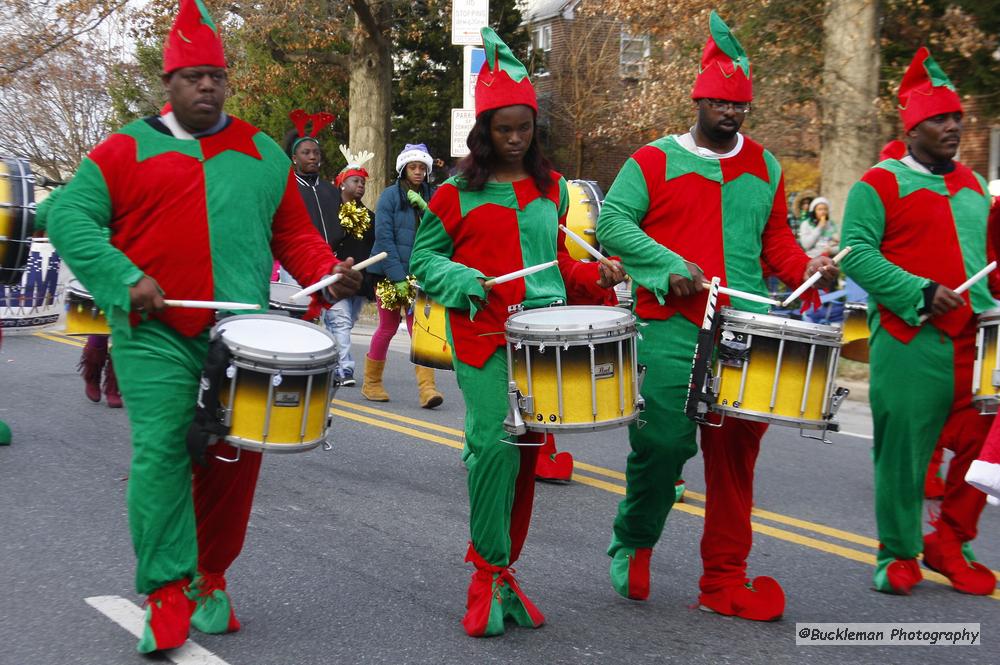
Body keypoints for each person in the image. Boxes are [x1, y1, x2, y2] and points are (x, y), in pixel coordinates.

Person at [47, 0, 362, 653]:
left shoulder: (260, 151)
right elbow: (68, 218)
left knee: (232, 457)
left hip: (239, 335)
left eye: (216, 74)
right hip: (153, 330)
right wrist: (122, 276)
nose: (207, 85)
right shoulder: (124, 148)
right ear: (169, 82)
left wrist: (330, 270)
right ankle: (165, 586)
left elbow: (294, 235)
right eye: (193, 76)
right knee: (163, 450)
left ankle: (210, 577)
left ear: (227, 79)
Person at [595, 11, 837, 621]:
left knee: (734, 460)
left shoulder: (766, 166)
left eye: (740, 108)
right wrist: (667, 266)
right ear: (698, 100)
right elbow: (613, 224)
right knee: (662, 443)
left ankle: (724, 580)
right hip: (671, 325)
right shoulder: (652, 160)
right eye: (721, 105)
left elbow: (775, 242)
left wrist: (808, 268)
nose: (731, 116)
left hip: (743, 328)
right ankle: (635, 538)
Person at [410, 27, 623, 637]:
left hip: (544, 337)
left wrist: (597, 273)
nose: (513, 139)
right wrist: (466, 279)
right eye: (502, 129)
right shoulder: (453, 193)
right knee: (493, 448)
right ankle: (485, 572)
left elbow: (555, 258)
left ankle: (503, 568)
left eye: (523, 128)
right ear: (483, 132)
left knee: (528, 457)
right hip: (484, 338)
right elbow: (426, 261)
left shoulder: (552, 189)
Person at [840, 47, 996, 596]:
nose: (953, 126)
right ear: (912, 128)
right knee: (904, 452)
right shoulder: (877, 183)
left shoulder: (976, 186)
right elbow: (854, 254)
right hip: (910, 338)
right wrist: (920, 290)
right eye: (940, 118)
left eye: (957, 117)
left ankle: (951, 539)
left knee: (988, 447)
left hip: (977, 342)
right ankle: (898, 551)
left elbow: (989, 262)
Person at [287, 110, 376, 385]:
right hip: (296, 266)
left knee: (338, 318)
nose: (313, 157)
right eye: (306, 153)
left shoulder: (329, 191)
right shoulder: (287, 187)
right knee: (301, 318)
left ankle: (343, 368)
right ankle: (297, 365)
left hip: (327, 264)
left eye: (316, 152)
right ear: (295, 158)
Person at [362, 143, 443, 408]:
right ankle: (371, 383)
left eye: (422, 167)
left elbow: (445, 228)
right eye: (413, 167)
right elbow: (384, 238)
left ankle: (427, 389)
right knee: (386, 327)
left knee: (420, 331)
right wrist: (397, 277)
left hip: (420, 275)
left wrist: (426, 208)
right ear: (403, 169)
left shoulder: (434, 196)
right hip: (389, 273)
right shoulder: (389, 197)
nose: (418, 172)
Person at [36, 186, 123, 407]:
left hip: (131, 264)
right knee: (98, 330)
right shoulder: (87, 182)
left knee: (124, 333)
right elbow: (42, 213)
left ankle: (114, 387)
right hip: (95, 265)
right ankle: (91, 376)